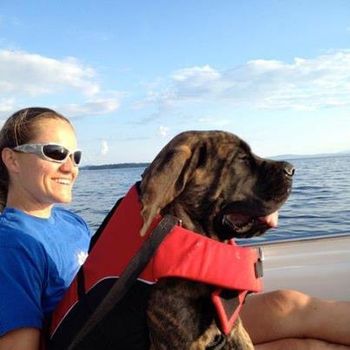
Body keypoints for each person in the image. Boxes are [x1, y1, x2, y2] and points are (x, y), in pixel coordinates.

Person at [0, 107, 91, 350]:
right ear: (12, 160)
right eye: (56, 153)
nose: (70, 168)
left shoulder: (74, 223)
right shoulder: (10, 245)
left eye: (75, 157)